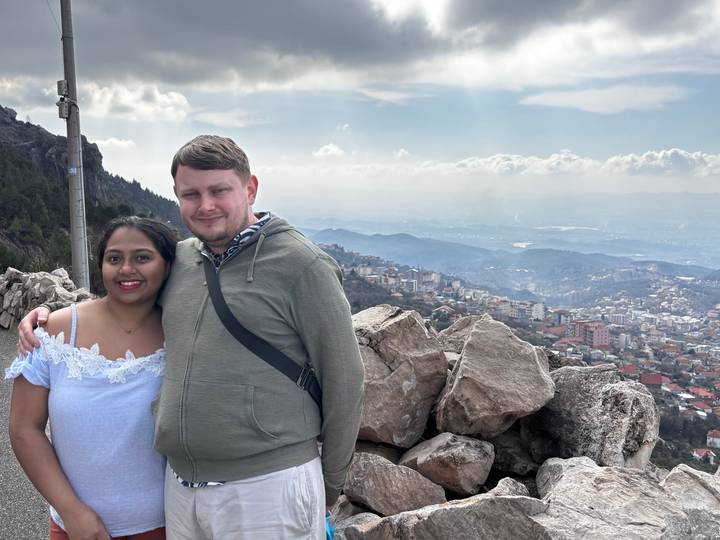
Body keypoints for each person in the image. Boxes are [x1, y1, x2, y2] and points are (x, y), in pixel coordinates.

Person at [19, 135, 365, 539]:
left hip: (267, 485)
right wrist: (48, 316)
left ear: (250, 188)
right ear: (177, 196)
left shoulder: (303, 265)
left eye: (219, 190)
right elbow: (127, 298)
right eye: (191, 194)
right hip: (182, 489)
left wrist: (329, 484)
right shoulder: (181, 259)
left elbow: (345, 380)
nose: (206, 205)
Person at [8, 216, 178, 540]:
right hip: (76, 529)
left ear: (167, 266)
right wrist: (72, 512)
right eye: (114, 258)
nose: (127, 268)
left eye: (142, 257)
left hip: (171, 526)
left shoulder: (184, 332)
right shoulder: (55, 332)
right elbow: (23, 429)